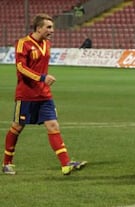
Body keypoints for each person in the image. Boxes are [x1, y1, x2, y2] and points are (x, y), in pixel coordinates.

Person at [2, 13, 87, 175]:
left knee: (53, 125)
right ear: (38, 28)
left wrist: (43, 80)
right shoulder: (23, 44)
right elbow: (21, 67)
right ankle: (7, 163)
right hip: (27, 94)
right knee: (17, 127)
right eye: (48, 27)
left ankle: (66, 164)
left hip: (44, 94)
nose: (52, 30)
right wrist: (42, 77)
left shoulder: (47, 44)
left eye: (52, 27)